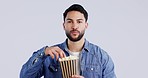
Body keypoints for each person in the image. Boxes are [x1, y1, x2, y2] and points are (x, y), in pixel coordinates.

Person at [20, 4, 116, 78]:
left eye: (79, 21)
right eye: (70, 21)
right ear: (64, 25)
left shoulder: (101, 57)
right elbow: (24, 76)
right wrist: (43, 52)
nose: (74, 26)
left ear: (86, 25)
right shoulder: (50, 55)